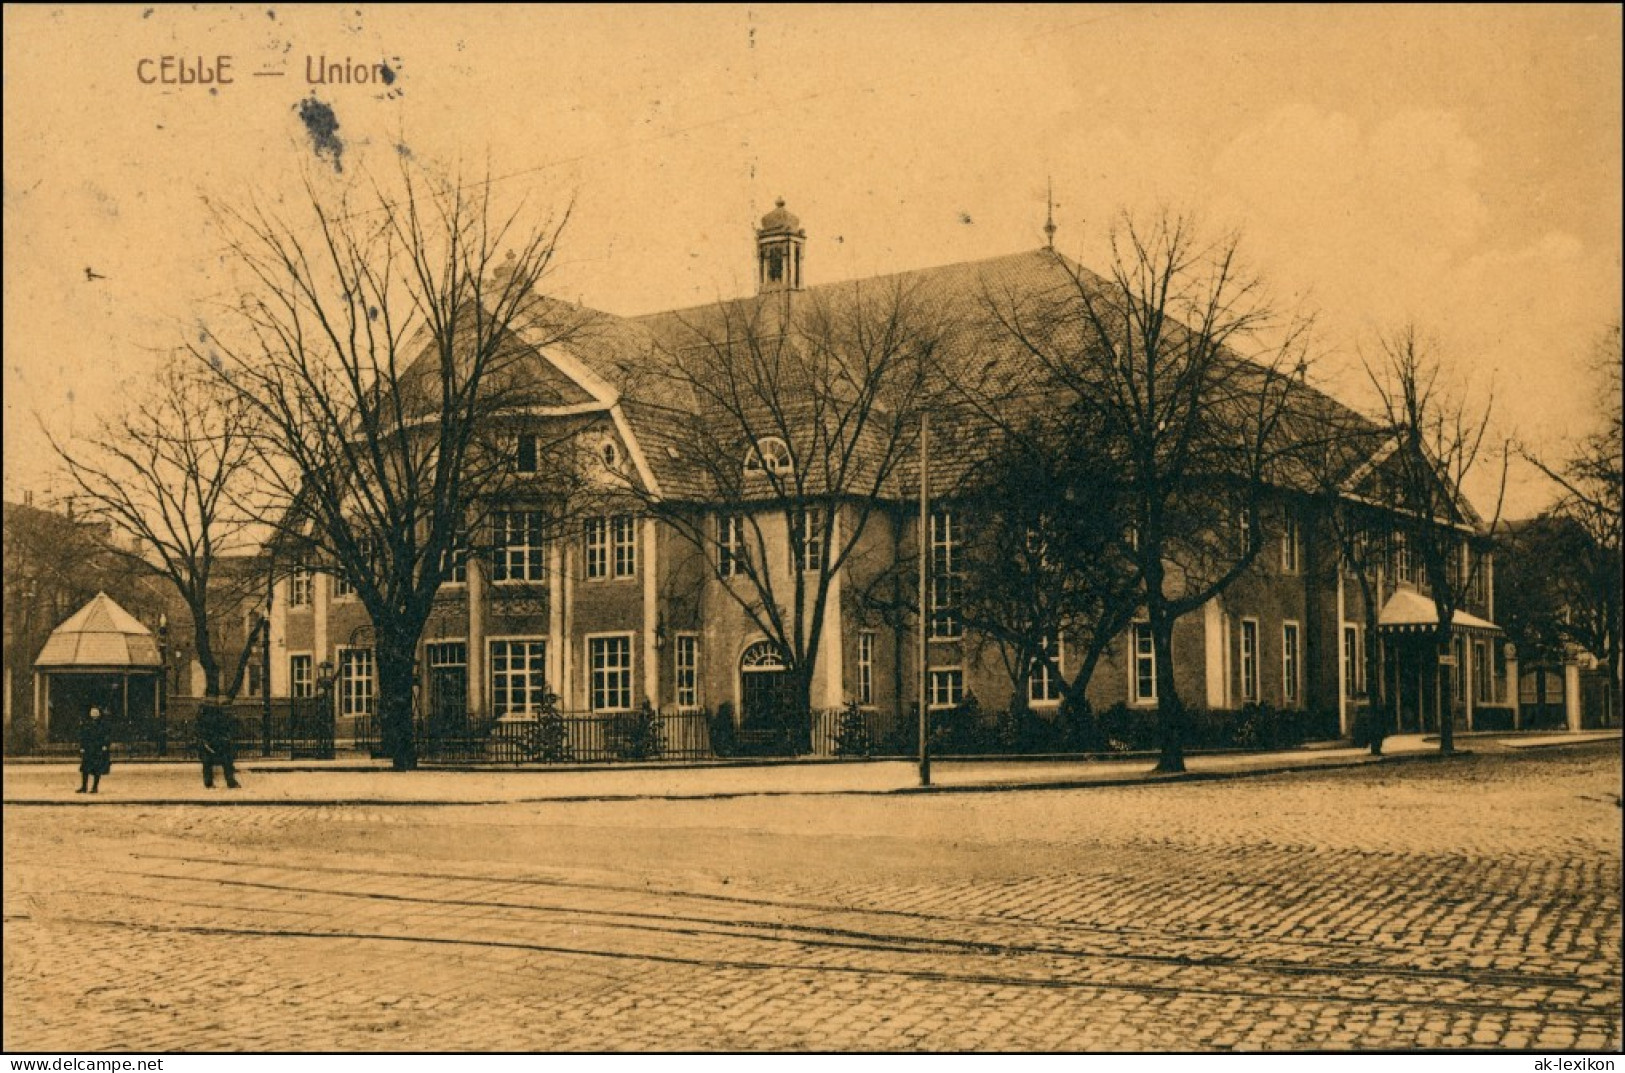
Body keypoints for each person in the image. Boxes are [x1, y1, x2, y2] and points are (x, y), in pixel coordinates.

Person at [196, 700, 241, 789]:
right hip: (214, 743)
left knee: (209, 764)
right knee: (225, 762)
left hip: (211, 743)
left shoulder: (204, 718)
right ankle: (230, 782)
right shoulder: (217, 718)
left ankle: (210, 783)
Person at [77, 706, 111, 793]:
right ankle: (84, 787)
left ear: (99, 714)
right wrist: (82, 747)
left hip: (98, 749)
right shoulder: (86, 724)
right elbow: (83, 736)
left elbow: (107, 736)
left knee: (97, 769)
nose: (94, 714)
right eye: (92, 712)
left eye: (96, 713)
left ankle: (95, 787)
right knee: (85, 769)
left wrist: (105, 745)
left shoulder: (103, 724)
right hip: (88, 749)